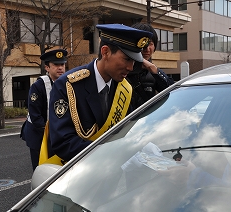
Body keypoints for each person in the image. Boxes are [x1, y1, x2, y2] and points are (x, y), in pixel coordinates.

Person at [46, 24, 153, 164]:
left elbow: (128, 131)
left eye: (134, 61)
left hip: (113, 171)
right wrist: (111, 152)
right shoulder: (68, 85)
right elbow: (63, 143)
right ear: (106, 52)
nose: (130, 67)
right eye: (127, 59)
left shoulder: (125, 88)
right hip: (78, 172)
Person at [20, 49, 67, 171]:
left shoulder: (67, 83)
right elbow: (35, 116)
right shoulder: (38, 86)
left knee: (58, 169)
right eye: (56, 65)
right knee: (41, 170)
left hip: (57, 134)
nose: (60, 68)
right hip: (38, 134)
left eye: (62, 64)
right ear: (47, 67)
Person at [126, 23, 174, 109]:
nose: (147, 49)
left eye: (151, 44)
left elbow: (174, 92)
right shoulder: (122, 70)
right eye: (143, 44)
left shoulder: (153, 72)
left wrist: (155, 71)